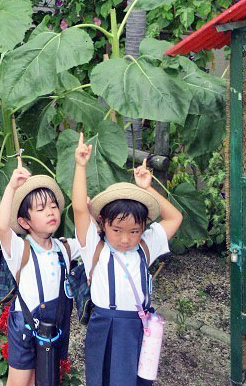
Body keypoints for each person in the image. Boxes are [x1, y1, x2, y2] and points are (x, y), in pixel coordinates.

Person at [72, 133, 183, 386]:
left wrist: (147, 188)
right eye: (117, 230)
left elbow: (174, 218)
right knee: (102, 378)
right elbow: (79, 208)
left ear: (143, 227)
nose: (125, 239)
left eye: (134, 231)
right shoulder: (94, 246)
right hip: (105, 324)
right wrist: (80, 167)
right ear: (102, 223)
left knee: (136, 379)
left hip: (137, 326)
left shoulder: (145, 245)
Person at [0, 157, 81, 386]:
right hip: (25, 322)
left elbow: (88, 237)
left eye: (53, 206)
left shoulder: (64, 247)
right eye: (41, 209)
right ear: (24, 222)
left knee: (44, 379)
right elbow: (2, 226)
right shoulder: (20, 249)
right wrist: (12, 187)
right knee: (20, 382)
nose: (51, 212)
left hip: (54, 323)